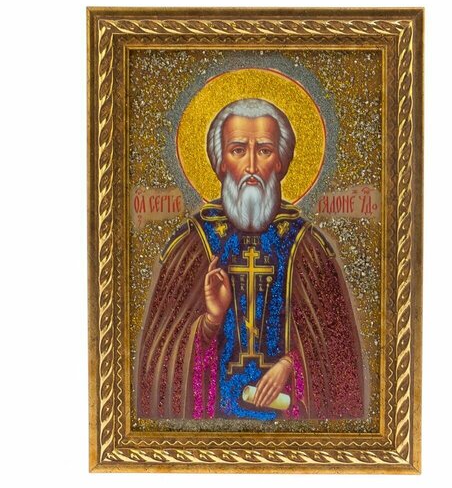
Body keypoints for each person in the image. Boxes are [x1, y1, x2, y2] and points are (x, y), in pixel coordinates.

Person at [135, 98, 364, 420]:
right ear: (220, 163)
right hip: (212, 431)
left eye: (265, 150)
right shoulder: (193, 245)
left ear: (281, 162)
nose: (252, 166)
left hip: (290, 431)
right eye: (239, 150)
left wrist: (292, 365)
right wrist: (211, 321)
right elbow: (159, 364)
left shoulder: (307, 247)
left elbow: (339, 357)